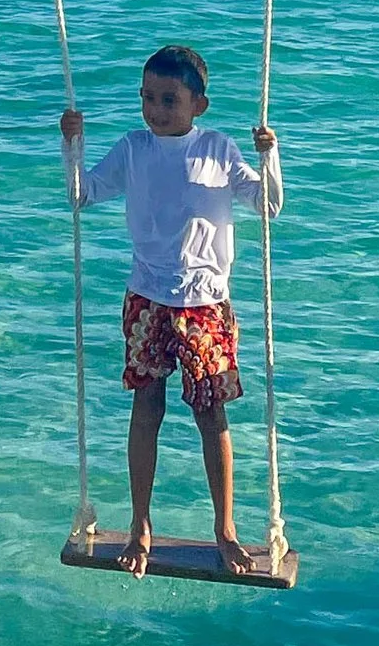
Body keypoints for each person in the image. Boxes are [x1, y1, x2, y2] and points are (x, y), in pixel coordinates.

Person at [61, 44, 280, 578]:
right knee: (147, 409)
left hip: (205, 303)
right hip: (147, 298)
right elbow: (83, 195)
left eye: (169, 99)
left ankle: (225, 530)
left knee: (211, 416)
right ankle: (140, 524)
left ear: (197, 105)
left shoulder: (219, 150)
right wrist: (72, 145)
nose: (156, 110)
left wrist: (269, 155)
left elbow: (267, 204)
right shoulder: (133, 148)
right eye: (147, 98)